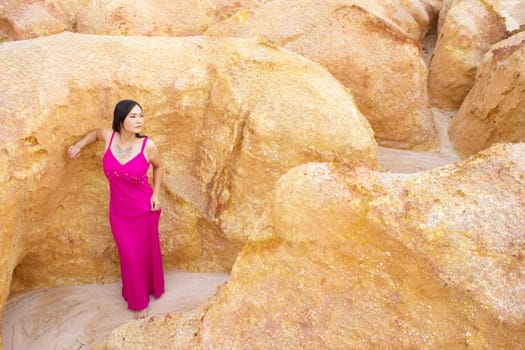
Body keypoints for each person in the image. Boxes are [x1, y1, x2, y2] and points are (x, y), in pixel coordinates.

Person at [67, 99, 165, 319]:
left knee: (141, 254)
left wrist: (156, 194)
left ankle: (140, 302)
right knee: (128, 254)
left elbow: (159, 166)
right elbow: (93, 134)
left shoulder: (147, 145)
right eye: (133, 116)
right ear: (120, 119)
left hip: (143, 209)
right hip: (119, 213)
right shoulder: (108, 136)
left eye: (141, 115)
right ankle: (139, 291)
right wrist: (79, 146)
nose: (139, 120)